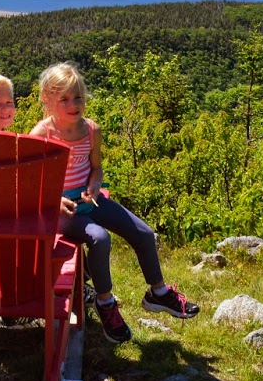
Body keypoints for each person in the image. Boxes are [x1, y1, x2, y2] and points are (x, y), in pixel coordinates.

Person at [29, 61, 200, 344]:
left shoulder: (91, 130)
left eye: (78, 97)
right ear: (47, 100)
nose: (74, 104)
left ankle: (158, 293)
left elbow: (96, 168)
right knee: (100, 238)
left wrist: (95, 184)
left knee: (144, 233)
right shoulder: (42, 134)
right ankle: (105, 303)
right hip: (63, 210)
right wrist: (54, 199)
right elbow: (30, 180)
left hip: (90, 200)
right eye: (64, 99)